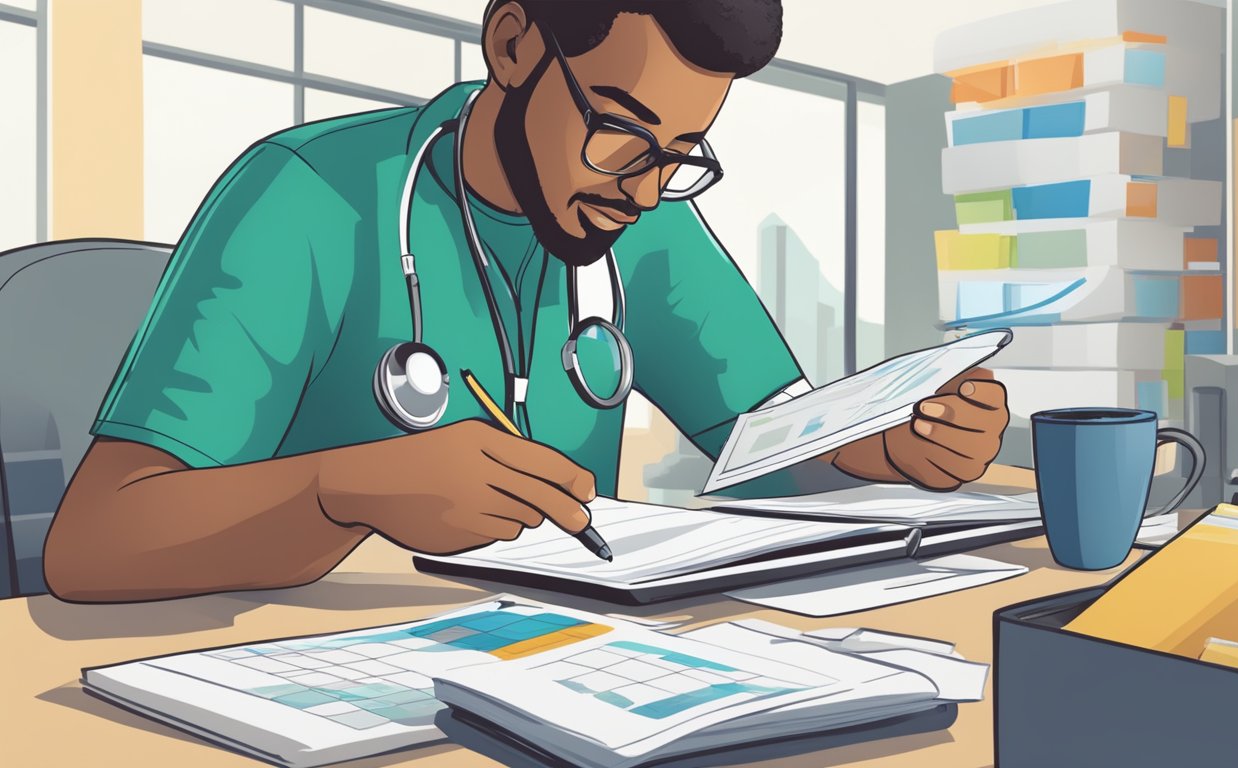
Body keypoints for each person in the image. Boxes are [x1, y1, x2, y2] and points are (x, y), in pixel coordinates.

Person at [44, 0, 1008, 602]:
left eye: (678, 155)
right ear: (512, 43)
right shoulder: (308, 197)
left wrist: (883, 444)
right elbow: (95, 543)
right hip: (309, 678)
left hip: (575, 668)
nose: (639, 188)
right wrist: (348, 491)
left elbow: (763, 447)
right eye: (619, 133)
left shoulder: (648, 227)